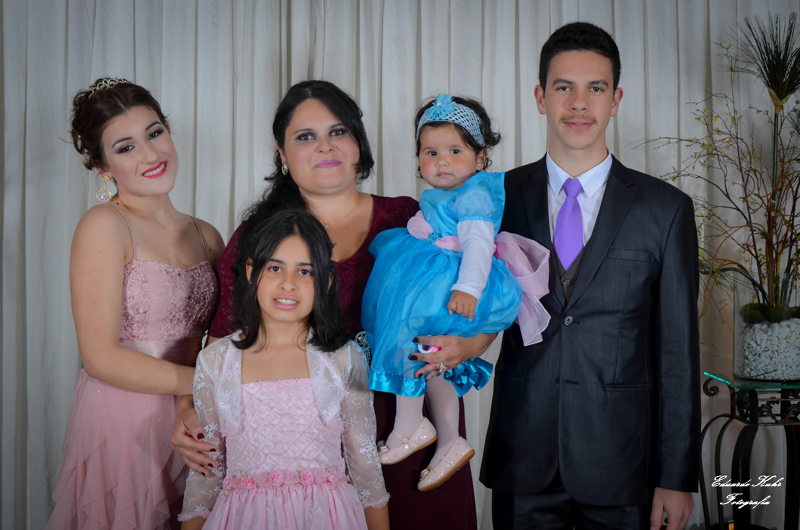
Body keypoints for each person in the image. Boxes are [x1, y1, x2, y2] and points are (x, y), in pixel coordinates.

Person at [416, 22, 700, 530]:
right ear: (540, 97)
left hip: (625, 464)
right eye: (563, 87)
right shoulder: (493, 196)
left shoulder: (665, 210)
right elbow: (468, 292)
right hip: (523, 454)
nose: (579, 103)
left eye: (596, 88)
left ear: (615, 100)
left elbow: (678, 355)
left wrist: (677, 476)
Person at [171, 80, 488, 529]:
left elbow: (484, 287)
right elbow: (222, 349)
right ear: (282, 153)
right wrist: (188, 410)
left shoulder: (410, 217)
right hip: (302, 437)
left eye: (338, 131)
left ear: (359, 141)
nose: (325, 146)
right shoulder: (259, 238)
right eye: (306, 136)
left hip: (412, 413)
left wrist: (470, 346)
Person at [48, 78, 224, 529]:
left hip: (198, 412)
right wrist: (211, 384)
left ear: (169, 130)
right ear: (103, 165)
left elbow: (223, 333)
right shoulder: (104, 225)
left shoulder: (207, 235)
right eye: (125, 147)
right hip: (126, 416)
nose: (149, 154)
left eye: (154, 133)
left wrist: (203, 397)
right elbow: (99, 357)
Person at [362, 94, 550, 492]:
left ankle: (409, 423)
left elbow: (479, 246)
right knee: (436, 356)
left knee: (408, 337)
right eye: (431, 152)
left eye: (455, 151)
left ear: (481, 158)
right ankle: (450, 439)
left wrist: (467, 289)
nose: (442, 161)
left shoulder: (475, 194)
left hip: (450, 282)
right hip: (434, 274)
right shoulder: (449, 192)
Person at [177, 211, 389, 529]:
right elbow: (206, 469)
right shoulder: (215, 361)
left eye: (305, 271)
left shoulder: (347, 357)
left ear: (326, 281)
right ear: (251, 271)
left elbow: (365, 461)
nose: (289, 284)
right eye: (275, 268)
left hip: (328, 518)